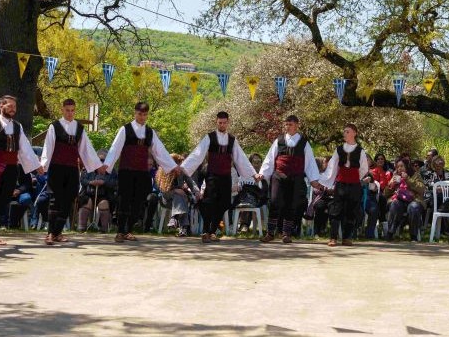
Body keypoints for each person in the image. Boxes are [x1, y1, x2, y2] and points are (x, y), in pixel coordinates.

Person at [102, 102, 178, 242]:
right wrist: (106, 165)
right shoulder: (125, 129)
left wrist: (172, 166)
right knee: (124, 200)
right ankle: (120, 231)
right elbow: (115, 148)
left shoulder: (150, 132)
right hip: (126, 170)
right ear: (135, 113)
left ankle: (129, 230)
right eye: (139, 114)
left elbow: (159, 151)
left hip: (142, 172)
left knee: (138, 201)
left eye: (144, 114)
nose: (142, 117)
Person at [0, 96, 42, 247]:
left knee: (3, 202)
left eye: (14, 107)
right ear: (1, 106)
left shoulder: (18, 126)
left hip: (11, 169)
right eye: (10, 106)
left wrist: (36, 165)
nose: (13, 109)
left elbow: (25, 148)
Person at [181, 111, 257, 243]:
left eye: (224, 123)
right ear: (216, 122)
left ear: (228, 122)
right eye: (220, 122)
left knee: (225, 203)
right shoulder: (209, 137)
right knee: (209, 202)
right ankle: (206, 231)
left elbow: (240, 158)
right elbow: (198, 154)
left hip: (226, 175)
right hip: (212, 175)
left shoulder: (232, 140)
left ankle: (212, 231)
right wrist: (184, 167)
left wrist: (253, 174)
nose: (222, 125)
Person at [39, 99, 105, 245]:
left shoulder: (79, 128)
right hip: (56, 168)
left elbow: (86, 148)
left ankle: (57, 233)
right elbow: (48, 147)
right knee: (55, 200)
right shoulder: (54, 126)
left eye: (72, 110)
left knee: (68, 199)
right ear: (62, 110)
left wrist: (97, 165)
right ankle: (50, 233)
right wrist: (43, 166)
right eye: (67, 110)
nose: (70, 113)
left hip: (71, 169)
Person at [256, 115, 322, 244]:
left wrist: (313, 179)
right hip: (279, 176)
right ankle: (270, 233)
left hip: (296, 177)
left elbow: (309, 163)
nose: (287, 126)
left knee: (291, 204)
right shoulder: (279, 140)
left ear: (297, 125)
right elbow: (270, 158)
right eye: (286, 124)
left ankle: (286, 234)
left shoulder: (304, 143)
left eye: (290, 124)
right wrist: (263, 173)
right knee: (274, 201)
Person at [320, 123, 371, 247]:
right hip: (341, 184)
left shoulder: (360, 151)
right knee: (336, 210)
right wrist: (326, 180)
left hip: (354, 185)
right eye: (344, 131)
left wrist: (355, 177)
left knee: (351, 210)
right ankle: (333, 237)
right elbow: (332, 166)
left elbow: (364, 168)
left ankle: (347, 237)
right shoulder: (339, 149)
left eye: (347, 131)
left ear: (354, 133)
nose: (345, 133)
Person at [383, 159, 425, 241]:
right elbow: (385, 194)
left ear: (407, 167)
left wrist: (408, 179)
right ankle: (390, 233)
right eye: (398, 166)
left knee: (413, 207)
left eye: (402, 166)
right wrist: (391, 184)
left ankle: (413, 235)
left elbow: (422, 189)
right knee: (395, 204)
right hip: (399, 200)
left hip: (414, 200)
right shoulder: (395, 177)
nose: (399, 168)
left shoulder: (415, 175)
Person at [77, 154, 116, 232]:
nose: (101, 162)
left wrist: (104, 182)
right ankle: (81, 227)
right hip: (88, 194)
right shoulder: (88, 168)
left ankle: (104, 229)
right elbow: (82, 180)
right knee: (86, 202)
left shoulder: (112, 171)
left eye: (103, 160)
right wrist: (90, 182)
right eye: (99, 160)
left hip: (104, 195)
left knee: (104, 203)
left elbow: (114, 183)